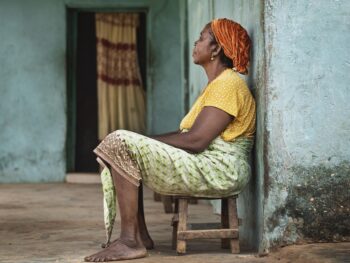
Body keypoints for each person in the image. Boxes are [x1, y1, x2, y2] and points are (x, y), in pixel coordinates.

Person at [84, 18, 256, 262]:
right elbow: (188, 136)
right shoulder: (216, 85)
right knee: (121, 145)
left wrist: (138, 142)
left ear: (216, 49)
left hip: (222, 169)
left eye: (201, 38)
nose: (195, 44)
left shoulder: (228, 84)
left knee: (121, 142)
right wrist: (140, 142)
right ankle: (138, 236)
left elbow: (196, 140)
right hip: (208, 163)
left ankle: (130, 241)